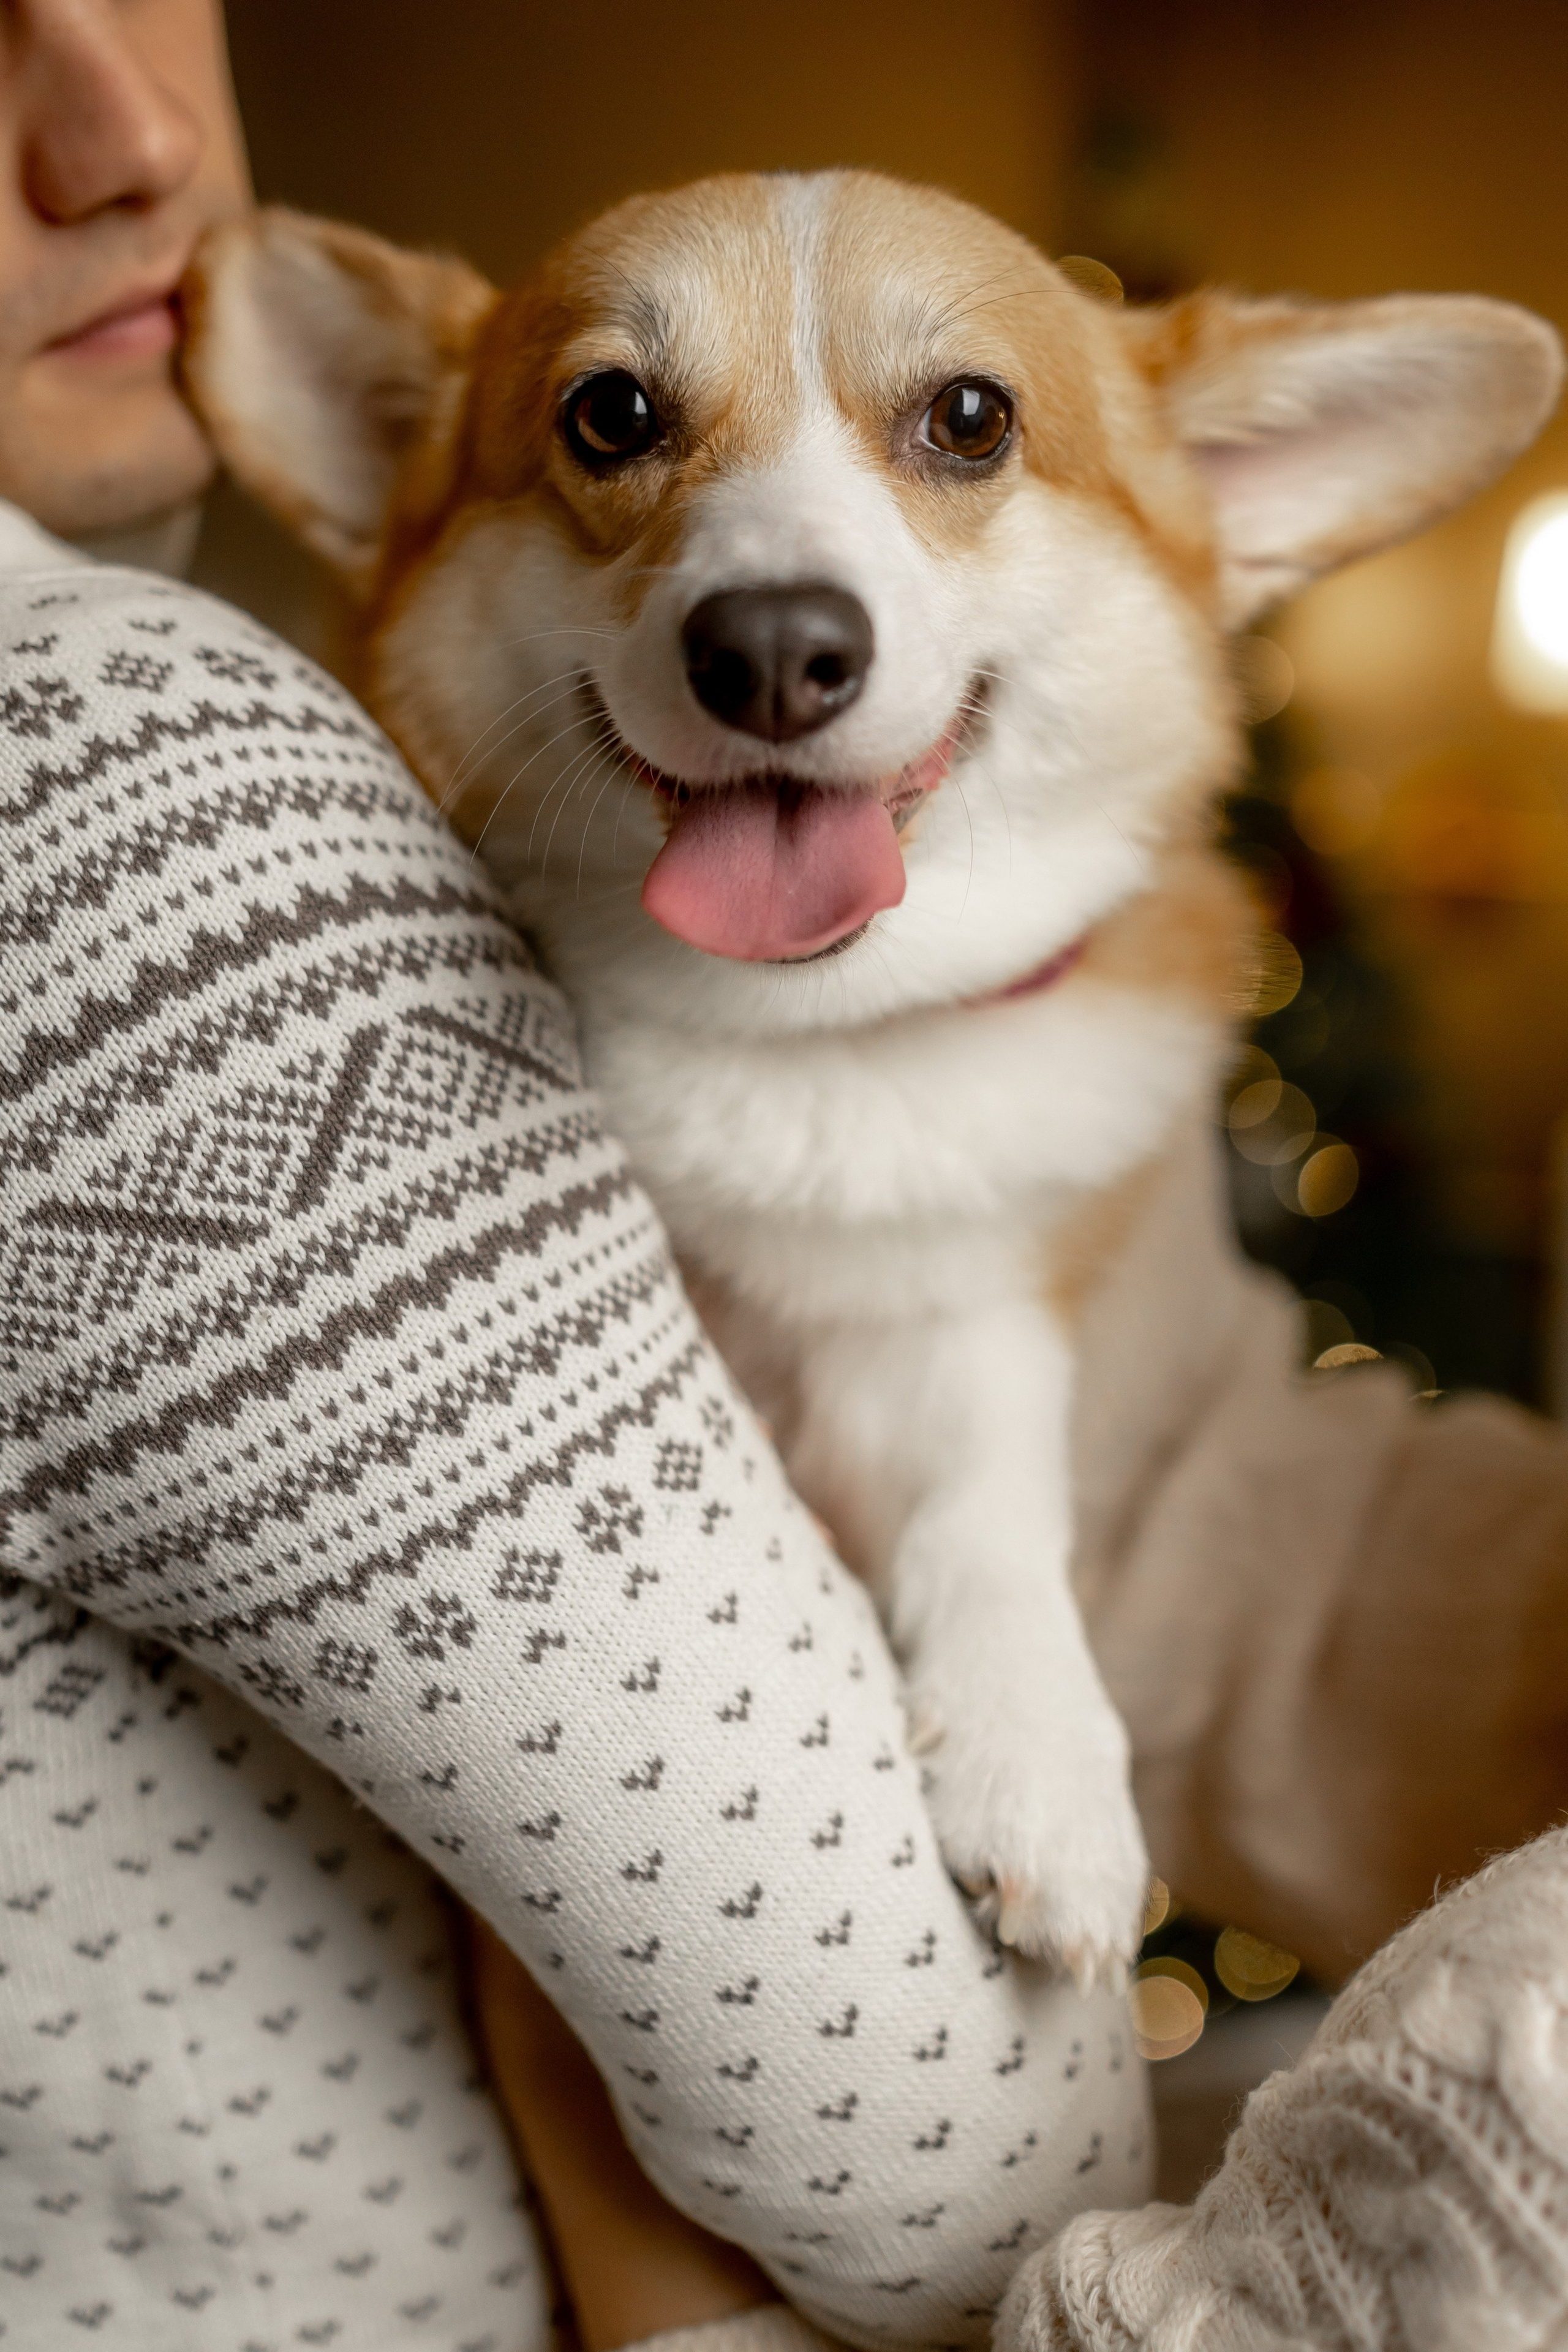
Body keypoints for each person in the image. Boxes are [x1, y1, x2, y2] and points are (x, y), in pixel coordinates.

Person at [3, 7, 1568, 2352]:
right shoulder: (177, 840)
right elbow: (938, 2165)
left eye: (963, 429)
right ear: (418, 474)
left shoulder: (1035, 1061)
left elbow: (1204, 1509)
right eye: (623, 424)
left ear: (1216, 500)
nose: (780, 603)